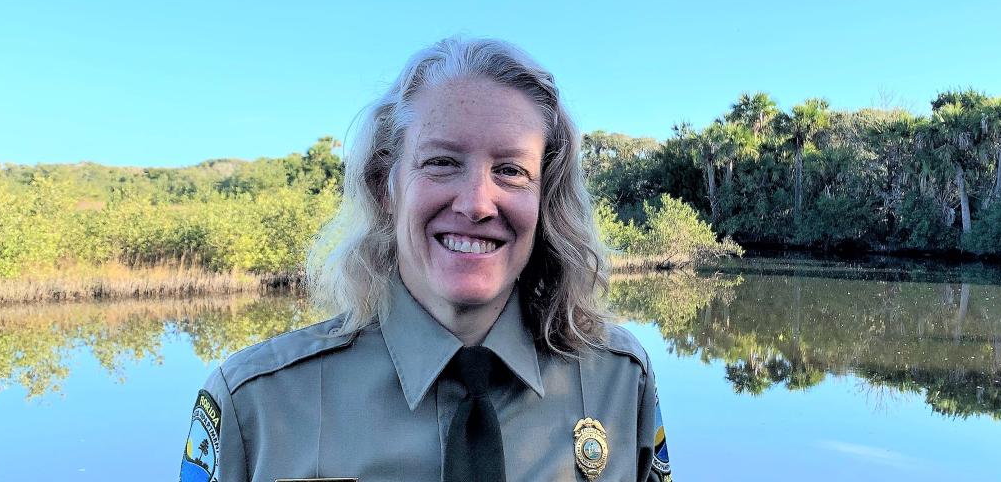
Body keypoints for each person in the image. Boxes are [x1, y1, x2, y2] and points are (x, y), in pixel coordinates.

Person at [178, 37, 673, 482]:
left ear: (546, 199)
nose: (477, 203)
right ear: (385, 186)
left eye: (511, 170)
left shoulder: (619, 380)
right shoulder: (256, 407)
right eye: (441, 162)